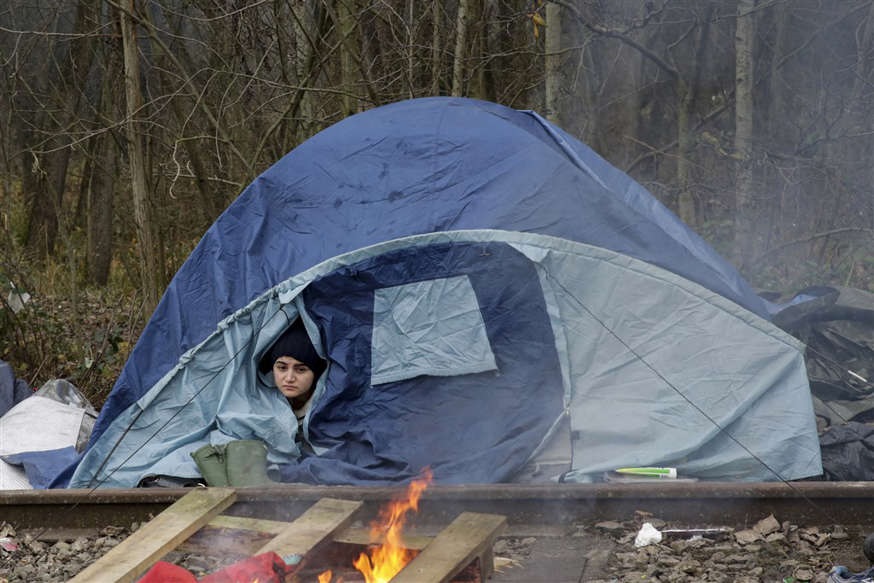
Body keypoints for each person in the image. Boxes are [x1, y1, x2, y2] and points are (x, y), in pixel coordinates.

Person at [261, 319, 327, 437]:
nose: (289, 378)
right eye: (282, 368)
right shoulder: (262, 402)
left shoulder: (328, 407)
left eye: (301, 370)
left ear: (316, 374)